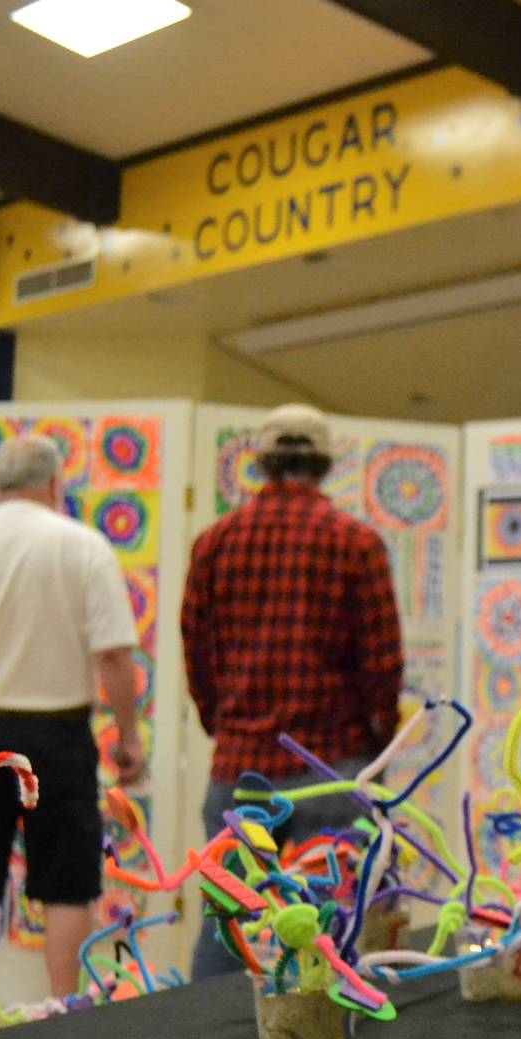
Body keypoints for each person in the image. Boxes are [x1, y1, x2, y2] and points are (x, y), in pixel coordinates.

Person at [181, 405, 402, 979]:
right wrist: (378, 743)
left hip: (239, 770)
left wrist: (221, 723)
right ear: (326, 465)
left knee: (228, 924)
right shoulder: (355, 543)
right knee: (330, 930)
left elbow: (196, 651)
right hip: (333, 764)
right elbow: (382, 663)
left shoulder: (213, 544)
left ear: (261, 462)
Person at [0, 434, 144, 999]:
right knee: (67, 889)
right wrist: (129, 737)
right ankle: (70, 1013)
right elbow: (115, 655)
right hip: (59, 735)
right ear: (54, 484)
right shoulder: (83, 546)